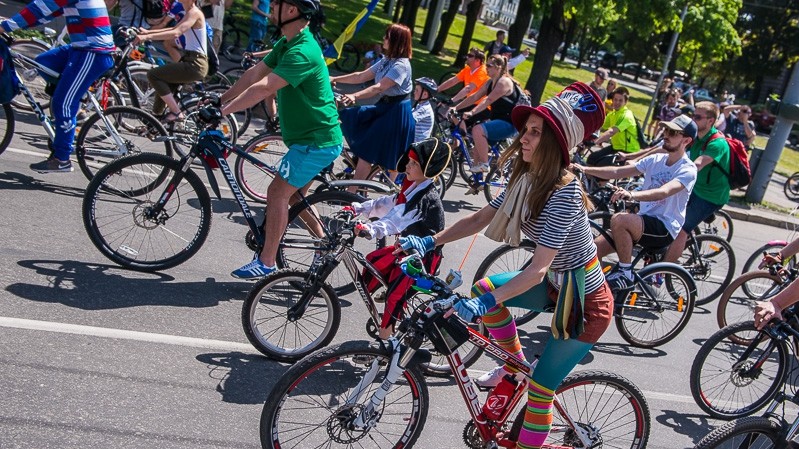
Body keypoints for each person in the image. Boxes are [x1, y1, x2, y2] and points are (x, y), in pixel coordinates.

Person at [398, 82, 613, 448]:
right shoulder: (526, 175)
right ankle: (514, 365)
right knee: (485, 288)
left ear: (553, 144)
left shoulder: (564, 192)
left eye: (534, 133)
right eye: (526, 130)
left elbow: (537, 270)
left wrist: (482, 307)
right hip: (556, 285)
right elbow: (479, 218)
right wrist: (429, 241)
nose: (523, 138)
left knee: (541, 389)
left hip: (585, 302)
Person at [221, 0, 343, 279]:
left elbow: (265, 87)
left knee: (278, 193)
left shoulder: (302, 51)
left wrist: (223, 112)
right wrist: (220, 100)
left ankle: (266, 262)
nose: (271, 6)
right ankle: (324, 244)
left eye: (277, 3)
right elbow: (254, 74)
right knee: (294, 198)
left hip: (317, 140)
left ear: (292, 11)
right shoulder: (288, 43)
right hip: (309, 138)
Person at [572, 115, 698, 293]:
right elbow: (618, 171)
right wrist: (585, 169)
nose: (666, 135)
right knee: (591, 251)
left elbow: (664, 191)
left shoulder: (687, 169)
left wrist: (631, 195)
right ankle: (598, 293)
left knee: (620, 220)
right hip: (644, 220)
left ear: (686, 140)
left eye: (673, 132)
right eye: (666, 130)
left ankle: (625, 273)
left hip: (664, 228)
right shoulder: (656, 160)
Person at [347, 138, 450, 339]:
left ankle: (387, 344)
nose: (408, 166)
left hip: (420, 259)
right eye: (409, 161)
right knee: (373, 261)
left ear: (427, 170)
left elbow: (396, 220)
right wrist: (358, 208)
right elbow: (389, 203)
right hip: (404, 250)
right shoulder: (413, 187)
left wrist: (370, 229)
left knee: (394, 297)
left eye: (414, 164)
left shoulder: (426, 198)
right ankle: (387, 311)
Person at [2, 0, 116, 173]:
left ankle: (61, 159)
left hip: (93, 52)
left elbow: (40, 7)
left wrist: (5, 26)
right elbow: (47, 14)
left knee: (62, 103)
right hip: (79, 48)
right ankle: (72, 97)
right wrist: (18, 26)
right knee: (42, 62)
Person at [332, 23, 415, 184]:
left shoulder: (401, 66)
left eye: (387, 36)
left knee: (366, 154)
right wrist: (334, 78)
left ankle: (352, 193)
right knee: (351, 117)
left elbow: (379, 87)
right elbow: (361, 76)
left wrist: (354, 96)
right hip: (385, 107)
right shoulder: (387, 60)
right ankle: (354, 184)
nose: (383, 39)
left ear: (396, 40)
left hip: (395, 113)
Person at [663, 101, 731, 264]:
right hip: (694, 187)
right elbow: (668, 148)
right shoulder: (695, 137)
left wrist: (670, 176)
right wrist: (636, 158)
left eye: (698, 117)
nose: (693, 120)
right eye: (693, 115)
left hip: (711, 196)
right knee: (666, 216)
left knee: (681, 230)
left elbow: (698, 164)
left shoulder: (717, 143)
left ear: (710, 121)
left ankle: (663, 270)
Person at [135, 0, 208, 122]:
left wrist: (147, 37)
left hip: (195, 63)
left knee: (153, 75)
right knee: (163, 81)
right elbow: (173, 28)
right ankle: (155, 120)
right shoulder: (188, 12)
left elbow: (176, 33)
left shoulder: (194, 13)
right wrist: (148, 32)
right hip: (191, 60)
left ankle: (176, 112)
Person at [451, 55, 520, 174]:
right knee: (477, 148)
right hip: (498, 121)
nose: (486, 68)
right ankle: (478, 182)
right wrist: (455, 107)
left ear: (498, 67)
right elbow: (474, 97)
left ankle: (484, 164)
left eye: (489, 66)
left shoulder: (504, 82)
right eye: (486, 65)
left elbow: (488, 100)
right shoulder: (490, 82)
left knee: (478, 130)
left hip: (509, 124)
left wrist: (472, 112)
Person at [587, 86, 641, 167]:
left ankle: (602, 179)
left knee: (601, 165)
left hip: (628, 151)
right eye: (615, 99)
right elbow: (599, 125)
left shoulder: (626, 115)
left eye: (620, 100)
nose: (617, 102)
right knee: (592, 158)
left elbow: (611, 132)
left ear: (625, 102)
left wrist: (594, 142)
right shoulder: (613, 113)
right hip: (616, 147)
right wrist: (585, 133)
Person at [411, 77, 437, 143]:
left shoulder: (424, 109)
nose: (414, 92)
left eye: (416, 90)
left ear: (425, 94)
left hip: (415, 146)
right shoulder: (420, 105)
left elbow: (408, 121)